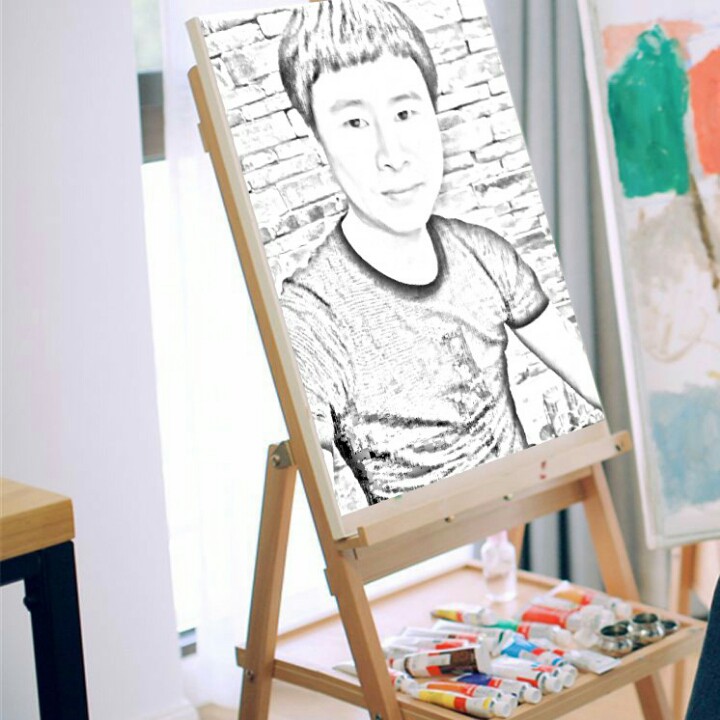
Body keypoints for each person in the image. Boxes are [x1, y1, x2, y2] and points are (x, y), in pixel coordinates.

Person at [276, 0, 600, 509]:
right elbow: (317, 491)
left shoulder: (484, 252)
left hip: (524, 519)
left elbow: (598, 385)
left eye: (405, 113)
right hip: (420, 549)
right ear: (318, 143)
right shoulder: (311, 315)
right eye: (355, 123)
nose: (393, 155)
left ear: (434, 114)